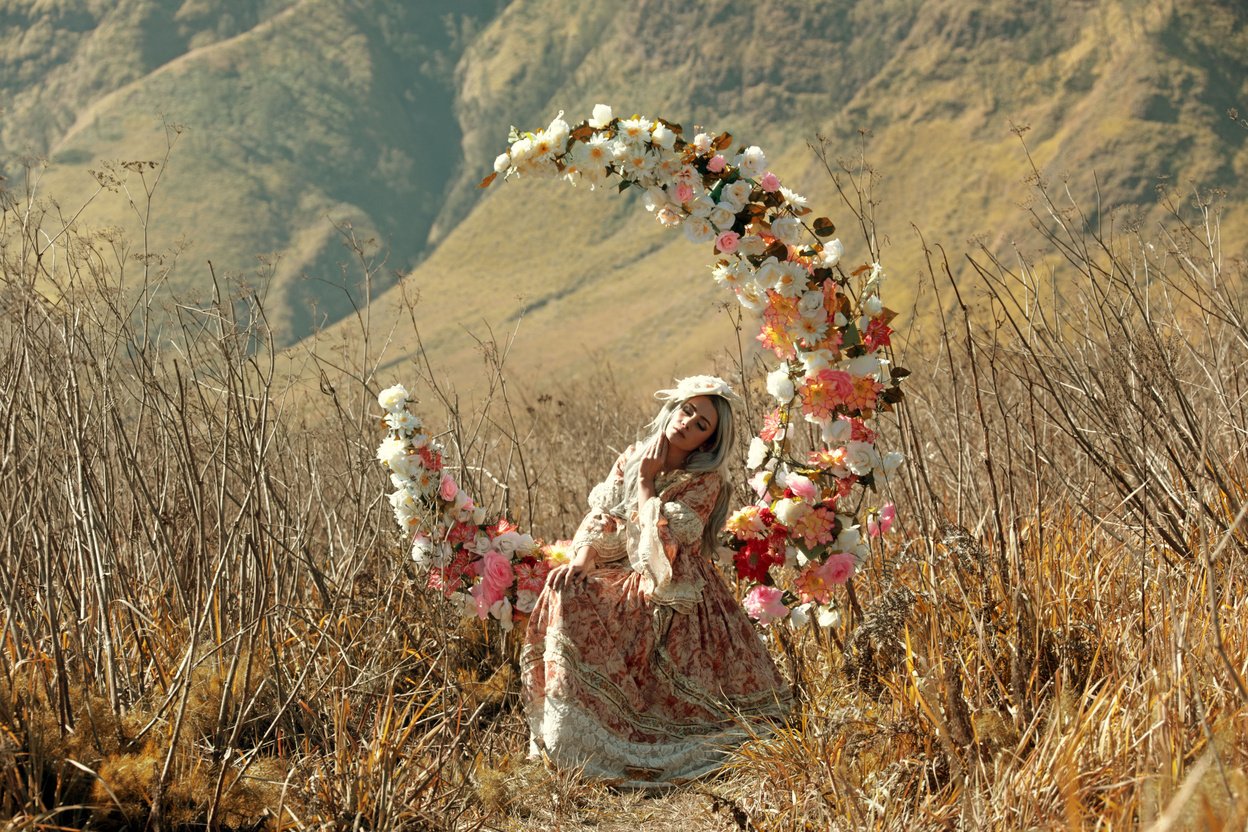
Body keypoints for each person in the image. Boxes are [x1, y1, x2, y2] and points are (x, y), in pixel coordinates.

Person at [521, 375, 791, 788]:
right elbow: (604, 516)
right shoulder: (633, 454)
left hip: (675, 587)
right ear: (675, 407)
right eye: (687, 410)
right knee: (568, 590)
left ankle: (648, 736)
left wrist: (646, 482)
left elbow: (666, 541)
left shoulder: (705, 482)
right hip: (628, 572)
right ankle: (574, 734)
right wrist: (581, 560)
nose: (687, 423)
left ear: (707, 442)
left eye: (701, 424)